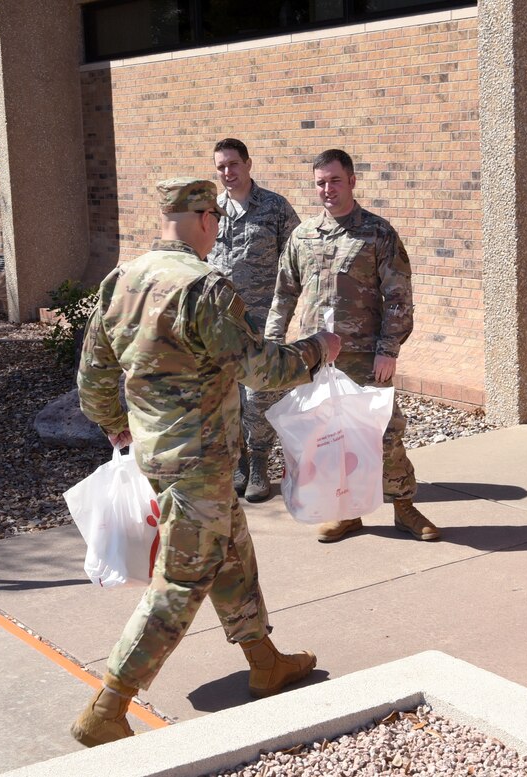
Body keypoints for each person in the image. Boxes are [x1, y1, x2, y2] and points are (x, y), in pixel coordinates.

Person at [70, 177, 341, 748]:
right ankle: (107, 705)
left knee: (232, 552)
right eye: (215, 218)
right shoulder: (205, 287)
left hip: (163, 456)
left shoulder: (121, 281)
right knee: (181, 580)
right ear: (202, 217)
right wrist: (319, 350)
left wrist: (112, 421)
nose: (216, 227)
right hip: (201, 462)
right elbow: (258, 369)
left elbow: (93, 374)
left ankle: (264, 659)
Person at [266, 149, 441, 544]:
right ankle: (345, 513)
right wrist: (273, 347)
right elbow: (283, 295)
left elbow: (399, 297)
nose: (327, 189)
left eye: (335, 180)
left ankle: (403, 507)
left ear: (352, 181)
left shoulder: (377, 233)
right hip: (314, 359)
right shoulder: (302, 236)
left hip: (364, 358)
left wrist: (389, 349)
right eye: (321, 182)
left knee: (384, 434)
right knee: (326, 439)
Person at [208, 138, 301, 503]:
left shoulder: (274, 207)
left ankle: (260, 463)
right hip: (220, 322)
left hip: (263, 318)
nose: (227, 173)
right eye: (221, 167)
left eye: (233, 164)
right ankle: (239, 462)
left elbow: (295, 260)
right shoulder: (210, 211)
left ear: (248, 164)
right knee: (227, 393)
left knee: (259, 392)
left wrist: (285, 312)